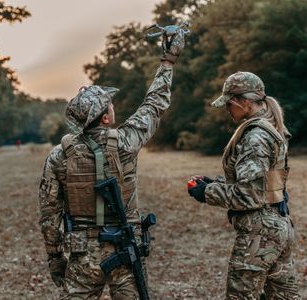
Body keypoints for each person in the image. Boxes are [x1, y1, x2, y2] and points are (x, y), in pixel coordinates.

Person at [38, 28, 186, 299]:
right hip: (123, 250)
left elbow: (49, 216)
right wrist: (168, 61)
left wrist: (55, 258)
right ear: (105, 118)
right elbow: (154, 105)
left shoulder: (59, 156)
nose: (113, 108)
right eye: (110, 106)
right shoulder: (127, 142)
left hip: (82, 255)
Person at [187, 72, 300, 299]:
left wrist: (205, 192)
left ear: (245, 102)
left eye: (229, 104)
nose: (227, 110)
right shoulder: (271, 128)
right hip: (279, 225)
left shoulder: (255, 137)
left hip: (260, 233)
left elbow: (249, 195)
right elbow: (262, 186)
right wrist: (215, 182)